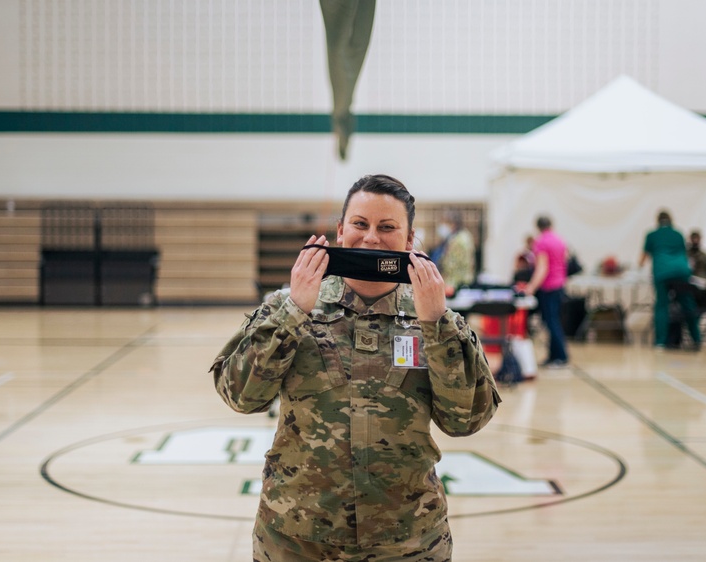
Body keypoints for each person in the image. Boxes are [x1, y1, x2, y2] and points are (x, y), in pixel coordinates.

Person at [210, 174, 500, 561]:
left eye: (387, 227)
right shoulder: (291, 304)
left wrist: (438, 325)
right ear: (340, 230)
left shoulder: (432, 317)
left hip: (407, 540)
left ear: (410, 239)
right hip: (297, 539)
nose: (371, 238)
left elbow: (466, 420)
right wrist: (293, 311)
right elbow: (240, 396)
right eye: (360, 225)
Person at [639, 210, 701, 350]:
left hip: (662, 272)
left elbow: (643, 259)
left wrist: (638, 267)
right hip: (682, 271)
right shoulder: (678, 234)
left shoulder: (651, 235)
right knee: (687, 303)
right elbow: (684, 254)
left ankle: (660, 342)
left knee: (662, 305)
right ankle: (697, 339)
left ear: (657, 221)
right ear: (670, 220)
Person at [524, 216, 569, 368]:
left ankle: (561, 356)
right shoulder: (559, 240)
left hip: (549, 287)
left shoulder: (541, 242)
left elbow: (542, 267)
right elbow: (565, 261)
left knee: (551, 322)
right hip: (560, 285)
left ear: (538, 227)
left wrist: (531, 287)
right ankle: (553, 355)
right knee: (553, 321)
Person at [435, 210, 476, 295]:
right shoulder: (465, 235)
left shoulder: (458, 240)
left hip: (456, 284)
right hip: (462, 282)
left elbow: (450, 265)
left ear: (453, 223)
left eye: (445, 223)